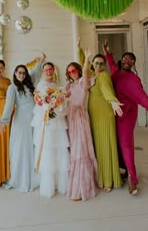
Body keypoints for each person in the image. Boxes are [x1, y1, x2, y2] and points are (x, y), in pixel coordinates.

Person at [102, 40, 148, 195]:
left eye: (130, 59)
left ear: (133, 63)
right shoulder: (116, 73)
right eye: (125, 58)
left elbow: (142, 97)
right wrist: (106, 52)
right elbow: (110, 63)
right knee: (115, 142)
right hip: (115, 113)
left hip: (128, 115)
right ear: (121, 60)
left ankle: (132, 177)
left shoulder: (133, 79)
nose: (127, 60)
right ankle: (122, 170)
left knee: (126, 144)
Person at [0, 54, 46, 192]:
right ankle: (21, 177)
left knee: (33, 145)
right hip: (21, 120)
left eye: (24, 73)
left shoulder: (30, 84)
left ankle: (34, 174)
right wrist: (3, 121)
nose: (22, 75)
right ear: (15, 73)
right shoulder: (12, 88)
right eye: (19, 72)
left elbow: (35, 72)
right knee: (22, 147)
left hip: (33, 118)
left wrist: (41, 60)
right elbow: (8, 105)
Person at [31, 62, 70, 198]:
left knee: (58, 149)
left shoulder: (58, 86)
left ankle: (61, 184)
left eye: (50, 69)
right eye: (46, 70)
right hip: (46, 122)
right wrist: (47, 105)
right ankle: (48, 185)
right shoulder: (40, 86)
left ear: (54, 70)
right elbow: (40, 104)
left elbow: (63, 104)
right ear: (43, 72)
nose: (48, 71)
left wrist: (57, 105)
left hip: (57, 121)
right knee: (47, 149)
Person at [65, 48, 98, 201]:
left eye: (74, 70)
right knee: (73, 149)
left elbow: (85, 73)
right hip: (70, 118)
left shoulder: (82, 82)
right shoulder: (69, 87)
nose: (72, 73)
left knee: (81, 150)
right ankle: (73, 181)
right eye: (69, 72)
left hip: (80, 117)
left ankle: (81, 186)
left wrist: (86, 59)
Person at [88, 53, 123, 192]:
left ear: (104, 65)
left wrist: (113, 102)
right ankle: (101, 177)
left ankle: (108, 180)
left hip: (104, 114)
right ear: (92, 64)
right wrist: (80, 51)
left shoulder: (103, 76)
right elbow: (83, 64)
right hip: (95, 115)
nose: (98, 66)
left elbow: (107, 91)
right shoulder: (92, 74)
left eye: (101, 64)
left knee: (105, 146)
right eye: (96, 63)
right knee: (98, 145)